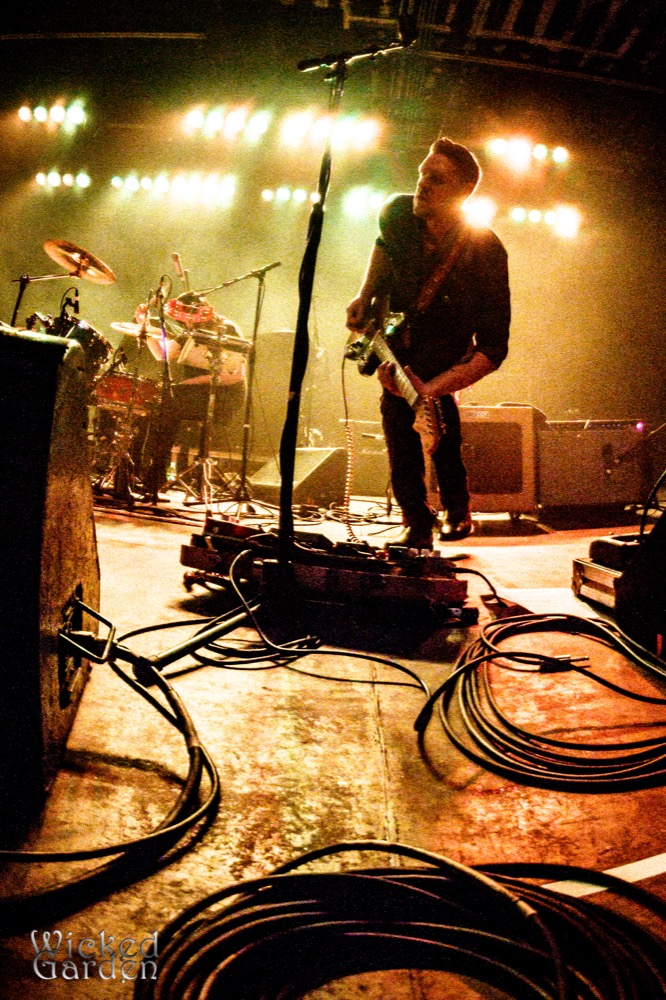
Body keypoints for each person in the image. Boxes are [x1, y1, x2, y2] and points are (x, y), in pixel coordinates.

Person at [346, 137, 511, 547]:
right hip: (397, 336)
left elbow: (494, 348)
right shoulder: (397, 213)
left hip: (446, 344)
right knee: (396, 417)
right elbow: (383, 246)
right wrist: (365, 294)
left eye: (436, 180)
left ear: (463, 192)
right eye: (422, 174)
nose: (422, 184)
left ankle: (455, 506)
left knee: (432, 414)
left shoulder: (486, 250)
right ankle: (417, 522)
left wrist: (432, 389)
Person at [138, 294, 247, 501]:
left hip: (226, 395)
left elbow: (235, 376)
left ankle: (155, 477)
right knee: (156, 401)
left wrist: (191, 382)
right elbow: (161, 354)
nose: (185, 323)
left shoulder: (226, 329)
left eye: (188, 318)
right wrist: (144, 325)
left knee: (168, 403)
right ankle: (146, 473)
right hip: (197, 391)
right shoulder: (189, 331)